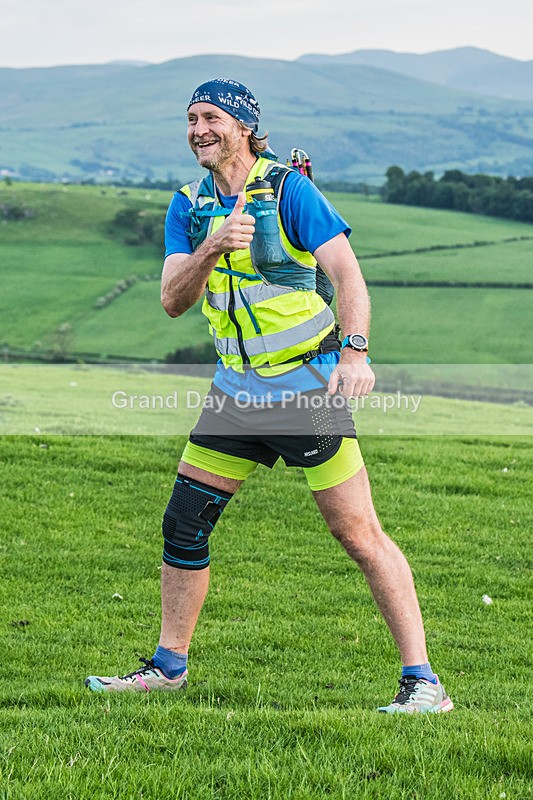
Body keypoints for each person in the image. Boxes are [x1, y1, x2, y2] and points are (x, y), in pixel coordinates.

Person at [85, 78, 453, 714]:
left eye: (212, 118)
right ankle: (169, 667)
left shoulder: (290, 190)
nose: (199, 129)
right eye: (191, 118)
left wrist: (356, 352)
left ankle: (423, 683)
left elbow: (348, 277)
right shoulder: (187, 204)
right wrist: (211, 246)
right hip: (234, 391)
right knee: (184, 524)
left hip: (307, 387)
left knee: (359, 536)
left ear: (244, 126)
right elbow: (174, 301)